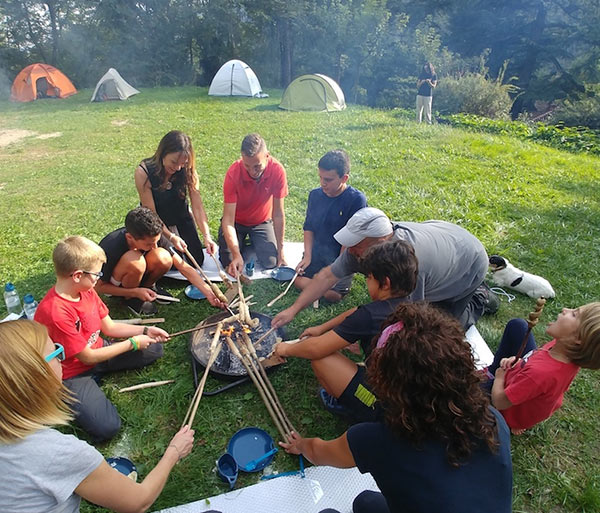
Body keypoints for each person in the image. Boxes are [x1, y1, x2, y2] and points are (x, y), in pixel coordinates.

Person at [279, 303, 513, 513]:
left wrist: (301, 445)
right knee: (366, 502)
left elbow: (320, 453)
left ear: (388, 381)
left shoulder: (378, 440)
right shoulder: (492, 418)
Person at [0, 319, 194, 513]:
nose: (62, 358)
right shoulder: (60, 454)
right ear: (36, 375)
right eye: (57, 353)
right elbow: (139, 500)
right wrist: (174, 451)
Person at [34, 236, 170, 441]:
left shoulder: (86, 290)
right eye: (97, 273)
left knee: (154, 349)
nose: (100, 277)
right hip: (72, 372)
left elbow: (110, 327)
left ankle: (98, 376)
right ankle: (67, 395)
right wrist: (131, 344)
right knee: (107, 428)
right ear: (78, 275)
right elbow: (87, 357)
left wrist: (144, 331)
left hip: (98, 350)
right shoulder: (55, 312)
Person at [272, 207, 488, 329]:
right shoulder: (360, 249)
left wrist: (366, 334)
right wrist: (293, 310)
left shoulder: (412, 266)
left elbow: (409, 315)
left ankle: (480, 298)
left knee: (443, 328)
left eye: (357, 244)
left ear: (382, 240)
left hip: (469, 259)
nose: (351, 249)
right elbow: (326, 276)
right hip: (445, 235)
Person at [276, 240, 418, 421]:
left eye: (369, 277)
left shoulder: (369, 317)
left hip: (390, 410)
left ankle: (358, 407)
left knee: (321, 359)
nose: (367, 281)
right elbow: (356, 312)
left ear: (385, 283)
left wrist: (285, 349)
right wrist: (322, 328)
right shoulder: (408, 304)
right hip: (409, 395)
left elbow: (316, 348)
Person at [487, 302, 600, 434]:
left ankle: (510, 419)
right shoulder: (563, 350)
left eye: (574, 314)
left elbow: (500, 401)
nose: (565, 309)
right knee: (518, 326)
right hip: (523, 385)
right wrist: (518, 362)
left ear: (578, 338)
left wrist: (500, 377)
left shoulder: (540, 373)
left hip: (503, 407)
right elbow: (535, 361)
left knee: (460, 387)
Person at [96, 207, 225, 315]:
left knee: (163, 257)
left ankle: (148, 287)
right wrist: (133, 292)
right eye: (149, 244)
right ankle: (131, 299)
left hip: (137, 278)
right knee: (135, 260)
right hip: (117, 284)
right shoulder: (111, 246)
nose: (154, 247)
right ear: (130, 237)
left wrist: (208, 292)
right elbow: (99, 287)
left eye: (156, 242)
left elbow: (183, 266)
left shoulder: (153, 238)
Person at [134, 130, 216, 267]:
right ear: (163, 153)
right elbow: (151, 214)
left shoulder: (188, 170)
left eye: (182, 164)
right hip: (155, 221)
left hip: (180, 216)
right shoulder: (144, 172)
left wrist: (207, 236)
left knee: (196, 261)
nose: (178, 168)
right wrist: (170, 236)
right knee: (162, 262)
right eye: (173, 162)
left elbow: (198, 206)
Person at [295, 149, 367, 303]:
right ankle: (318, 285)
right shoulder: (315, 195)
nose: (322, 183)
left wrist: (337, 268)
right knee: (296, 279)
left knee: (333, 295)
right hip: (318, 252)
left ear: (344, 178)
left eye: (328, 179)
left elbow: (351, 240)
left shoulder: (356, 200)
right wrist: (307, 256)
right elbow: (309, 227)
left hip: (342, 255)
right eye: (320, 177)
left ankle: (318, 286)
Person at [218, 133, 288, 277]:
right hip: (237, 222)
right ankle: (241, 246)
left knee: (271, 262)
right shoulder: (233, 173)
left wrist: (281, 251)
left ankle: (250, 242)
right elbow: (228, 220)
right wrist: (236, 254)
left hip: (261, 222)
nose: (252, 172)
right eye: (247, 166)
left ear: (267, 156)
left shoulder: (277, 170)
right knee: (229, 262)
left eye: (257, 166)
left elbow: (278, 214)